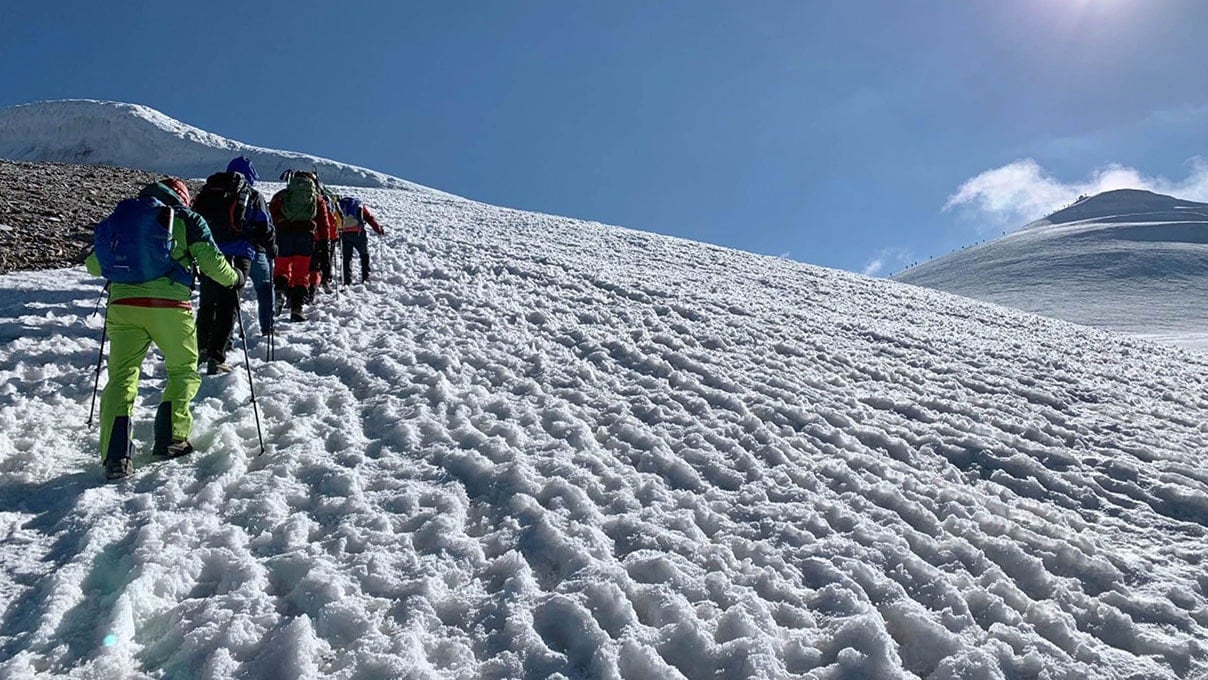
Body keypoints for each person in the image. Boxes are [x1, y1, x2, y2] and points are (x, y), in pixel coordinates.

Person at [85, 178, 243, 480]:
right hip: (170, 308)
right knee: (182, 370)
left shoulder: (121, 218)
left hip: (124, 305)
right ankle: (171, 438)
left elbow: (94, 265)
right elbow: (211, 263)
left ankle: (116, 456)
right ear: (181, 197)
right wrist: (234, 278)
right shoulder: (186, 218)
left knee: (122, 376)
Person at [191, 158, 270, 374]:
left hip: (209, 253)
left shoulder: (210, 190)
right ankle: (217, 357)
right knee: (229, 304)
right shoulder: (251, 195)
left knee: (207, 303)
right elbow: (265, 226)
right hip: (239, 254)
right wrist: (270, 248)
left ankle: (202, 350)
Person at [270, 171, 331, 321]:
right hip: (306, 236)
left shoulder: (282, 195)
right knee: (301, 274)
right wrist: (325, 243)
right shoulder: (316, 198)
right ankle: (297, 310)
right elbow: (324, 223)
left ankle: (280, 292)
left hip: (283, 235)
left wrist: (279, 225)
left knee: (282, 269)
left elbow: (271, 214)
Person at [337, 195, 385, 285]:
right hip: (358, 233)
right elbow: (370, 218)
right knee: (364, 254)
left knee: (347, 257)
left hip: (344, 234)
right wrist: (378, 229)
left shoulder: (340, 205)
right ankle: (365, 276)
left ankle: (347, 279)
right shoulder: (360, 205)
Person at [307, 188, 341, 303]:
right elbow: (338, 220)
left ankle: (310, 289)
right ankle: (325, 280)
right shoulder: (329, 202)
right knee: (326, 261)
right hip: (329, 237)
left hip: (312, 236)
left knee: (312, 264)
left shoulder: (311, 200)